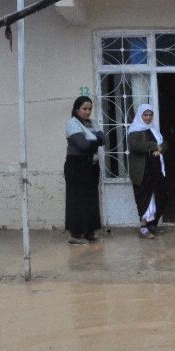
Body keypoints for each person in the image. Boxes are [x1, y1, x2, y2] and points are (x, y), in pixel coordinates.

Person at [64, 96, 105, 245]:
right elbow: (83, 145)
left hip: (91, 166)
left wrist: (92, 141)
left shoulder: (92, 123)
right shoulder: (72, 124)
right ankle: (75, 234)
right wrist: (95, 142)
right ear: (77, 109)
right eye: (84, 109)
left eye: (89, 109)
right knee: (77, 199)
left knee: (91, 199)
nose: (87, 112)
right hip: (77, 166)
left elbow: (103, 139)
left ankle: (89, 232)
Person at [127, 104, 167, 239]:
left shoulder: (153, 129)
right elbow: (134, 146)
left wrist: (160, 149)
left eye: (150, 115)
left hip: (155, 168)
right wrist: (153, 146)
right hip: (143, 171)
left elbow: (163, 144)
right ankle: (144, 228)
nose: (148, 118)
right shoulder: (134, 131)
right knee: (145, 197)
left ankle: (152, 225)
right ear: (140, 115)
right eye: (145, 115)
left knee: (157, 196)